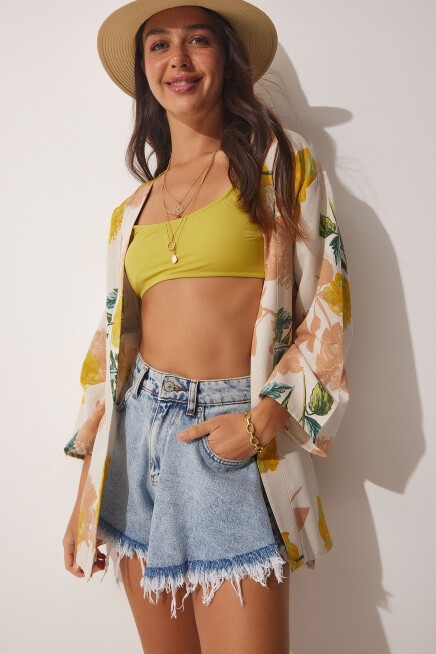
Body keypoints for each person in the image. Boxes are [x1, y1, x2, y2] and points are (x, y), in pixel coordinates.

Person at [62, 1, 353, 652]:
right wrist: (87, 492)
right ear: (145, 70)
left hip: (230, 433)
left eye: (198, 40)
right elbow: (110, 353)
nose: (179, 59)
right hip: (136, 443)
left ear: (226, 56)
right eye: (159, 45)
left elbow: (329, 300)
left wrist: (263, 421)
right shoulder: (130, 210)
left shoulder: (280, 164)